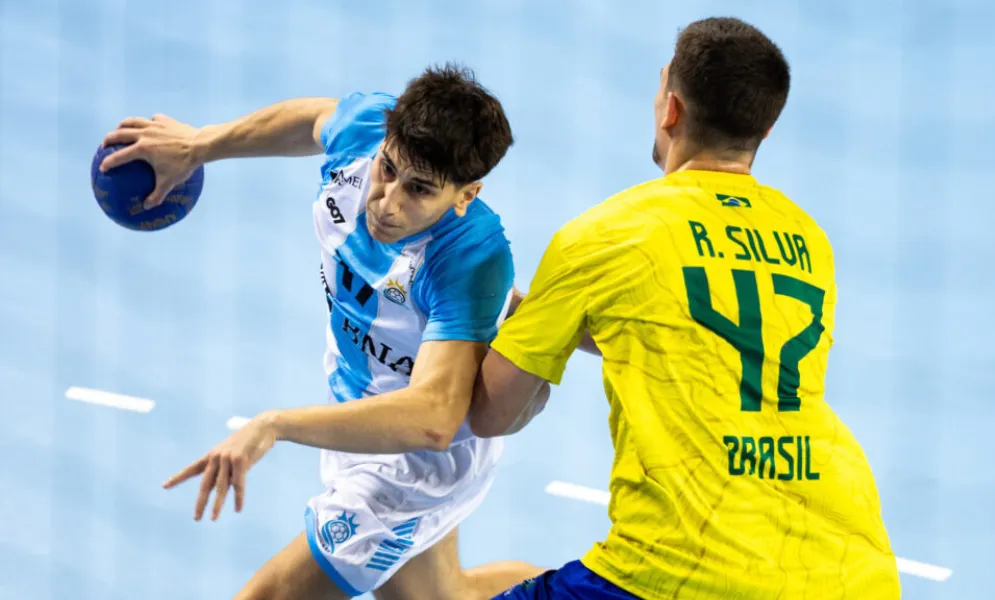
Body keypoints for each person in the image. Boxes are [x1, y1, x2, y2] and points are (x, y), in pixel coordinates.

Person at [468, 17, 902, 600]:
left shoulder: (604, 235)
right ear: (766, 128)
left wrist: (519, 327)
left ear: (671, 109)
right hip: (851, 567)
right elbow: (711, 348)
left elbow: (491, 413)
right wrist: (562, 323)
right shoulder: (808, 240)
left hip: (679, 570)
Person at [99, 64, 543, 599]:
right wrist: (197, 145)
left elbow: (433, 418)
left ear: (465, 194)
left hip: (416, 462)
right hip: (357, 413)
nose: (388, 200)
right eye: (389, 170)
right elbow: (313, 119)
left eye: (420, 190)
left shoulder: (470, 256)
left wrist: (274, 425)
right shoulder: (366, 132)